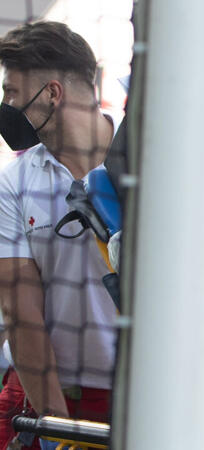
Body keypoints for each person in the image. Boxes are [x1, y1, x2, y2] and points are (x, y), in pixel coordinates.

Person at [0, 21, 119, 447]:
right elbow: (21, 312)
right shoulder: (12, 183)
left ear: (52, 93)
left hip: (140, 396)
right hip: (39, 393)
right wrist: (57, 431)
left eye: (11, 93)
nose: (5, 104)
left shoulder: (150, 157)